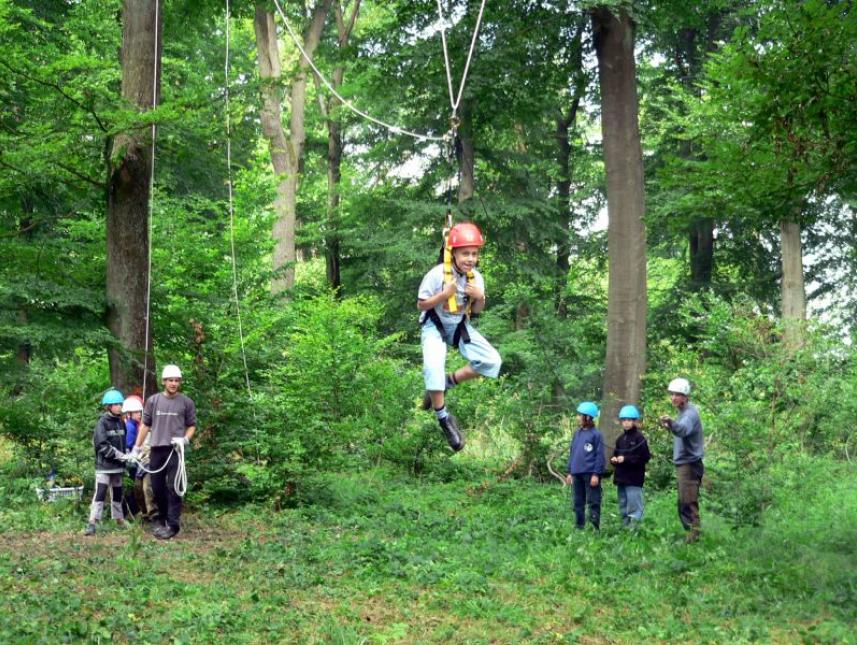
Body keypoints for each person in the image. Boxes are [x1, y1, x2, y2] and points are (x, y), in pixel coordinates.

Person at [417, 222, 502, 451]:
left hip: (458, 326)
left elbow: (476, 312)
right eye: (465, 253)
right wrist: (444, 295)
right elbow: (421, 304)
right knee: (433, 367)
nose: (470, 259)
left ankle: (448, 382)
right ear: (453, 252)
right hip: (434, 325)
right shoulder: (436, 275)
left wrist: (480, 297)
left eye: (474, 254)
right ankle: (444, 418)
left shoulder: (476, 279)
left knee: (492, 361)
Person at [132, 364, 196, 540]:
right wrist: (136, 448)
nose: (173, 383)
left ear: (180, 382)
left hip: (175, 450)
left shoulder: (186, 402)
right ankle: (162, 518)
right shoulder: (153, 401)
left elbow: (191, 426)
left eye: (176, 380)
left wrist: (185, 439)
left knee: (174, 487)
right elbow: (145, 425)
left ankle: (173, 525)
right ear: (164, 381)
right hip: (157, 449)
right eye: (170, 380)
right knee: (157, 487)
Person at [659, 377, 705, 543]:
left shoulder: (689, 414)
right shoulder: (684, 412)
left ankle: (694, 538)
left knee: (688, 502)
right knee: (683, 502)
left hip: (689, 465)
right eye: (672, 394)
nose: (673, 398)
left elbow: (683, 429)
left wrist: (672, 424)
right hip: (685, 464)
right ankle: (692, 535)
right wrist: (672, 425)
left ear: (686, 396)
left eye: (678, 394)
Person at [83, 388, 130, 536]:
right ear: (108, 406)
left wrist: (128, 454)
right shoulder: (102, 423)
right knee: (101, 493)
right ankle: (92, 522)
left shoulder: (121, 422)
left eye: (120, 404)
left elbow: (123, 442)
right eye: (116, 404)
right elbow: (102, 445)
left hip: (117, 467)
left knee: (117, 493)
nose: (119, 407)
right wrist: (119, 455)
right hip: (104, 467)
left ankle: (119, 520)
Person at [565, 402, 605, 531]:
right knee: (578, 502)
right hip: (577, 473)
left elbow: (599, 456)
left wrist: (596, 474)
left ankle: (594, 527)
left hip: (590, 474)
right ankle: (579, 526)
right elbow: (573, 452)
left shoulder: (596, 434)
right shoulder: (577, 433)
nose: (577, 417)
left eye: (580, 415)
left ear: (587, 417)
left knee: (593, 501)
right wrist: (570, 471)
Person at [610, 405, 651, 529]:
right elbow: (616, 455)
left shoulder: (639, 438)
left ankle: (635, 530)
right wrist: (614, 460)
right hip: (621, 478)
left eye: (629, 420)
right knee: (623, 504)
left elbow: (645, 457)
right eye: (624, 420)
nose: (626, 423)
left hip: (634, 479)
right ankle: (625, 527)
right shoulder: (620, 439)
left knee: (634, 505)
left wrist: (626, 459)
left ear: (634, 421)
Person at [121, 395, 144, 519]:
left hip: (133, 460)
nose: (139, 414)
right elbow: (129, 444)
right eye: (136, 412)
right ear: (129, 413)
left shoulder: (134, 424)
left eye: (139, 412)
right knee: (130, 486)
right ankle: (130, 511)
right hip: (130, 461)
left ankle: (132, 511)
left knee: (131, 486)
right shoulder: (130, 426)